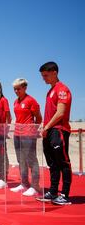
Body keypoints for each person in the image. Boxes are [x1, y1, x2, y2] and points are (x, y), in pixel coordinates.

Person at [39, 61, 72, 205]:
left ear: (54, 73)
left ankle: (64, 194)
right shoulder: (50, 90)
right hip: (49, 130)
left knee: (63, 162)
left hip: (58, 130)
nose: (43, 78)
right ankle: (53, 192)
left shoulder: (62, 89)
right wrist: (44, 128)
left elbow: (61, 112)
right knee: (52, 163)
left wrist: (47, 127)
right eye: (42, 76)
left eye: (45, 75)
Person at [11, 78, 42, 196]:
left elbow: (38, 118)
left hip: (28, 134)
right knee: (21, 160)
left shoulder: (31, 101)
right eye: (14, 89)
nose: (16, 91)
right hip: (17, 134)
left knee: (31, 160)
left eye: (18, 89)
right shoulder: (15, 101)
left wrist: (33, 130)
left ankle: (35, 186)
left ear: (25, 88)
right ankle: (24, 183)